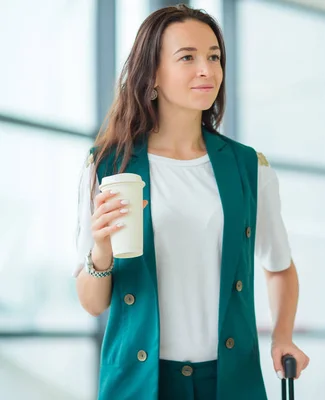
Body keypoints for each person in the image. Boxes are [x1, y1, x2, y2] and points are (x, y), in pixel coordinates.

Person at [72, 4, 309, 399]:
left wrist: (281, 337)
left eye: (214, 57)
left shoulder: (249, 167)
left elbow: (279, 266)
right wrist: (101, 249)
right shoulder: (107, 165)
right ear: (152, 77)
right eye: (188, 58)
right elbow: (93, 304)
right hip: (139, 383)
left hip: (230, 381)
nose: (208, 70)